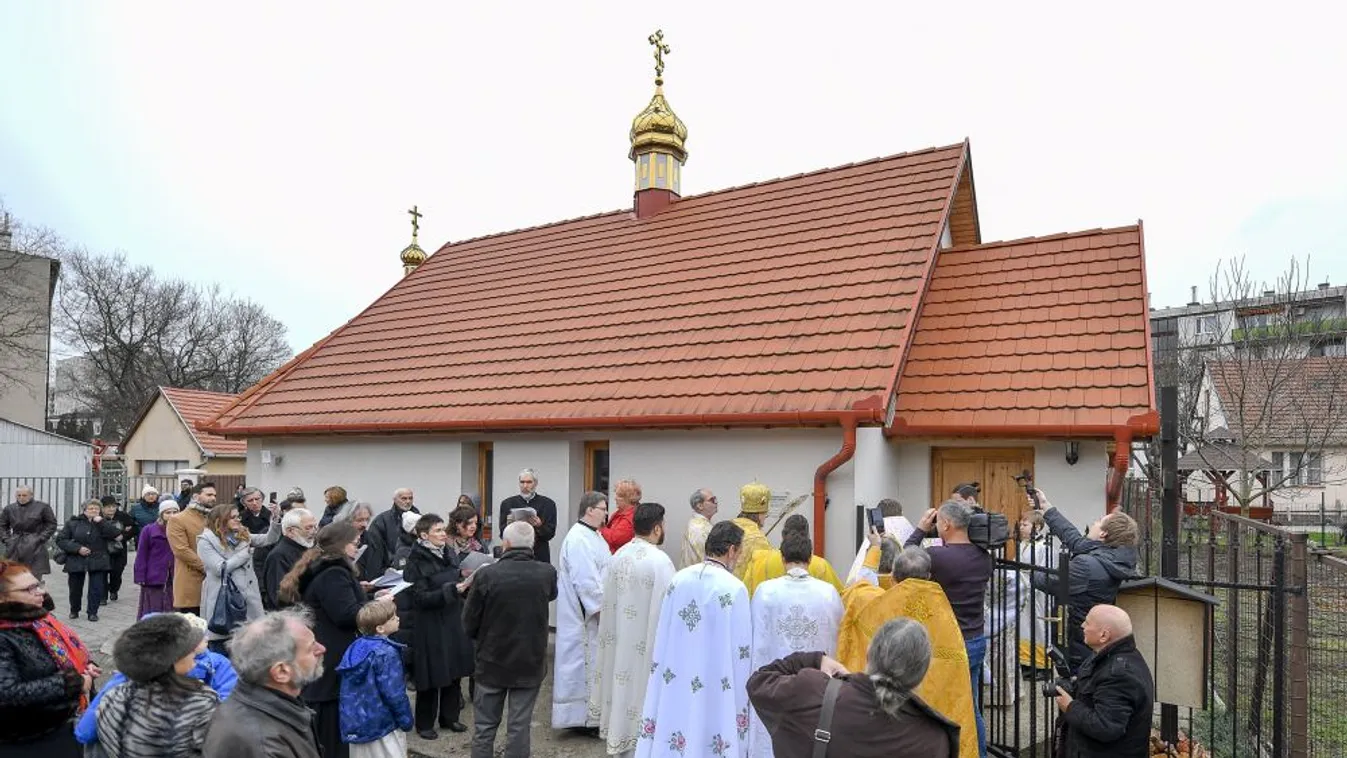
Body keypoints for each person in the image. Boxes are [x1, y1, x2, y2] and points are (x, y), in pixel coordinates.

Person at [747, 618, 960, 758]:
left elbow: (758, 682)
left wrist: (815, 660)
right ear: (921, 674)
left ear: (869, 653)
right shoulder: (935, 740)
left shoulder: (811, 694)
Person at [836, 546, 977, 758]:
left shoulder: (874, 606)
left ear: (893, 578)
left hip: (881, 716)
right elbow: (956, 688)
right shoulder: (945, 619)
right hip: (927, 731)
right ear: (929, 576)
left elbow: (856, 588)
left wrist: (874, 549)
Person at [635, 521, 754, 758]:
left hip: (677, 671)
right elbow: (742, 650)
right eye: (739, 552)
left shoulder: (679, 580)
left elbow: (665, 630)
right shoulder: (734, 588)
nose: (739, 558)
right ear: (731, 550)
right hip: (717, 676)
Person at [279, 521, 385, 758]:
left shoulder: (326, 568)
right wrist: (377, 606)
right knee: (330, 718)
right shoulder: (334, 572)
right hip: (332, 653)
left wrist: (365, 592)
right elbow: (346, 615)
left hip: (326, 648)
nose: (357, 547)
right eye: (354, 543)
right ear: (340, 545)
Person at [907, 499, 995, 758]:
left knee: (937, 703)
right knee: (971, 705)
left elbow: (906, 559)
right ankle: (977, 753)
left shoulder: (938, 557)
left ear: (945, 523)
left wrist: (921, 528)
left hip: (948, 642)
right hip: (977, 638)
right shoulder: (984, 557)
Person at [462, 521, 558, 758]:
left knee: (484, 727)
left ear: (505, 544)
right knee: (519, 727)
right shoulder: (546, 573)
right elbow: (552, 594)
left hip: (492, 659)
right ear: (533, 543)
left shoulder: (486, 575)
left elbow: (468, 622)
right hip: (530, 660)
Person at [589, 503, 676, 757]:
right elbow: (667, 610)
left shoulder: (618, 556)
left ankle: (621, 741)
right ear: (657, 528)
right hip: (646, 646)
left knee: (622, 688)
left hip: (619, 643)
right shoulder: (660, 562)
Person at [76, 611, 238, 747]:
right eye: (187, 648)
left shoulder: (115, 694)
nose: (193, 653)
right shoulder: (197, 704)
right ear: (171, 658)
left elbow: (84, 732)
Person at [747, 531, 844, 758]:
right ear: (811, 558)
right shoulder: (828, 592)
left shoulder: (765, 591)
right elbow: (837, 632)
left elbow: (757, 637)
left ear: (782, 558)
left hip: (775, 681)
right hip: (815, 685)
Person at [1031, 490, 1140, 672]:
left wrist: (1026, 571)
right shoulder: (1112, 556)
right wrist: (1046, 508)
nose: (1093, 524)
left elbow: (1048, 582)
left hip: (1076, 643)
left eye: (1098, 522)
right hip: (1092, 643)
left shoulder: (1087, 565)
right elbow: (1076, 541)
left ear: (1103, 534)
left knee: (1077, 692)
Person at [0, 559, 97, 757]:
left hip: (61, 729)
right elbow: (6, 693)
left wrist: (85, 667)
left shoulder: (38, 620)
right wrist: (71, 683)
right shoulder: (5, 635)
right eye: (29, 589)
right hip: (27, 743)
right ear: (3, 598)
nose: (41, 592)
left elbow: (63, 654)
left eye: (38, 584)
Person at [202, 610, 325, 758]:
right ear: (281, 672)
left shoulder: (261, 705)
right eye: (311, 648)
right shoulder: (265, 746)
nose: (322, 649)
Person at [403, 513, 475, 739]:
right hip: (430, 624)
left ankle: (449, 717)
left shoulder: (448, 551)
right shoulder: (415, 560)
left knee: (453, 671)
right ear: (424, 535)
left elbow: (452, 576)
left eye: (444, 530)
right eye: (437, 531)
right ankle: (424, 723)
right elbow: (420, 598)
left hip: (452, 619)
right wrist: (451, 590)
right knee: (432, 673)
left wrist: (464, 577)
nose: (443, 534)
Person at [1054, 605, 1155, 757]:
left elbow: (1106, 727)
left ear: (1104, 636)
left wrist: (1069, 706)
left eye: (1087, 623)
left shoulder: (1119, 675)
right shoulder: (1107, 654)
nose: (1082, 626)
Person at [553, 490, 613, 731]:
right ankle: (581, 719)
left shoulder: (595, 536)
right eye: (602, 508)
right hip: (583, 617)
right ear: (589, 510)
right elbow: (586, 581)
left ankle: (592, 715)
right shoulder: (578, 538)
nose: (606, 512)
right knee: (582, 664)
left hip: (593, 614)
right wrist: (601, 611)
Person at [986, 510, 1057, 705]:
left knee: (1039, 626)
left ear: (1038, 527)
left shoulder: (1044, 547)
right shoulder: (1023, 545)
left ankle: (1042, 665)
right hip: (1023, 590)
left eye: (1026, 524)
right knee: (1024, 626)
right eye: (1022, 524)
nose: (1022, 527)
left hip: (1037, 593)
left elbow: (1045, 572)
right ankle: (1028, 662)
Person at [198, 502, 281, 651]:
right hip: (223, 597)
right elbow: (220, 568)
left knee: (250, 643)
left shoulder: (242, 534)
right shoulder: (205, 540)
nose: (238, 520)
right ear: (220, 520)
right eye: (233, 517)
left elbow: (270, 539)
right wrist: (245, 555)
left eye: (238, 517)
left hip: (248, 596)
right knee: (224, 643)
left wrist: (275, 519)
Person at [337, 601, 414, 758]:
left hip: (357, 723)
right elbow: (394, 693)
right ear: (380, 628)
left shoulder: (355, 647)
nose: (398, 619)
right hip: (383, 724)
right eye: (393, 618)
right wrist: (406, 719)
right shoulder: (386, 653)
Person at [742, 514, 844, 596]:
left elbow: (746, 594)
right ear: (807, 536)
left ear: (783, 534)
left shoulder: (759, 560)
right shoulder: (821, 565)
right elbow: (839, 598)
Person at [55, 499, 121, 621]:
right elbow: (61, 539)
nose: (94, 511)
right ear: (84, 510)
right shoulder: (73, 523)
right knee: (75, 587)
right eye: (91, 508)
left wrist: (101, 522)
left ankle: (93, 612)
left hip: (98, 558)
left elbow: (117, 535)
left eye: (96, 509)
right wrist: (77, 548)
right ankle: (74, 609)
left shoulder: (104, 523)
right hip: (76, 558)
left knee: (96, 588)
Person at [168, 482, 218, 614]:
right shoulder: (178, 519)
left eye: (214, 495)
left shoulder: (214, 518)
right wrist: (209, 567)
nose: (213, 498)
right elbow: (181, 551)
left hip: (214, 581)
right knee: (191, 628)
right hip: (191, 579)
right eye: (209, 494)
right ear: (196, 497)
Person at [497, 468, 558, 563]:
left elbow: (550, 534)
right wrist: (510, 526)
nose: (525, 486)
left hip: (539, 555)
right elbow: (502, 534)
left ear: (536, 483)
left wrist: (539, 526)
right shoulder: (507, 503)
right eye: (522, 482)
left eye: (529, 482)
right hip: (513, 556)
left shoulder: (548, 504)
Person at [133, 499, 181, 617]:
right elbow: (142, 554)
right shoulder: (149, 530)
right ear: (161, 514)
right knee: (153, 608)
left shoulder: (181, 530)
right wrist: (140, 576)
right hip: (154, 576)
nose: (172, 515)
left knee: (173, 608)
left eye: (175, 512)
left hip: (175, 576)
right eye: (168, 512)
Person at [1, 487, 59, 581]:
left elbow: (51, 524)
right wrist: (7, 539)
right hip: (14, 546)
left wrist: (40, 538)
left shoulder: (42, 507)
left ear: (31, 495)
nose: (21, 498)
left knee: (34, 579)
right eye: (18, 495)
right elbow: (2, 525)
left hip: (35, 546)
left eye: (24, 495)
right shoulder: (9, 508)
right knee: (14, 579)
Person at [264, 508, 317, 610]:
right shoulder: (278, 556)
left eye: (315, 527)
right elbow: (280, 597)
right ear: (290, 531)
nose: (313, 532)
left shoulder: (307, 548)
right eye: (308, 528)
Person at [366, 488, 418, 575]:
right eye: (404, 498)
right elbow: (375, 546)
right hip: (389, 570)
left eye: (410, 498)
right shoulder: (381, 520)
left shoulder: (421, 520)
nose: (408, 501)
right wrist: (394, 560)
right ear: (394, 499)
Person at [730, 481, 774, 581]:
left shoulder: (727, 527)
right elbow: (764, 570)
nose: (765, 518)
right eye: (765, 514)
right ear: (760, 514)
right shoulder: (758, 539)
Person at [98, 496, 136, 604]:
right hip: (103, 549)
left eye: (113, 506)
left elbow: (133, 528)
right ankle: (103, 597)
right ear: (102, 508)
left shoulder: (123, 516)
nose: (111, 509)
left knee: (117, 572)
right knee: (102, 573)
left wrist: (123, 536)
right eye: (108, 507)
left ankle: (114, 589)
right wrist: (114, 534)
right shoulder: (98, 518)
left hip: (119, 550)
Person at [239, 487, 275, 583]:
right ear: (244, 503)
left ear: (262, 499)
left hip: (268, 555)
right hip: (248, 557)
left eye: (257, 499)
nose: (254, 503)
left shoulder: (272, 515)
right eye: (250, 500)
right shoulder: (240, 518)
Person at [600, 479, 641, 553]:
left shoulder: (631, 517)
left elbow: (614, 539)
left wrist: (600, 526)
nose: (615, 498)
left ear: (628, 499)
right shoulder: (621, 512)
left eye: (619, 496)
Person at [681, 487, 718, 569]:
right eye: (712, 500)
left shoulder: (700, 524)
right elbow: (708, 558)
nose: (716, 503)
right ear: (700, 506)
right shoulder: (699, 528)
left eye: (715, 499)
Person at [347, 503, 378, 579]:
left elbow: (383, 563)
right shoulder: (338, 541)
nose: (365, 524)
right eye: (359, 520)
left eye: (367, 520)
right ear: (348, 520)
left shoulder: (374, 538)